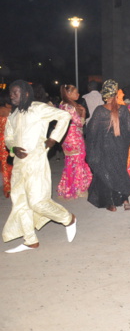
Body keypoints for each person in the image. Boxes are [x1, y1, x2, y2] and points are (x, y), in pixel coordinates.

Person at [3, 80, 77, 253]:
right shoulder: (13, 115)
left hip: (36, 161)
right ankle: (30, 240)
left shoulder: (38, 108)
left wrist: (53, 139)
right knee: (20, 203)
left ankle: (68, 218)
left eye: (15, 92)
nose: (12, 96)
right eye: (11, 93)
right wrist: (13, 148)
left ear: (26, 93)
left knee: (37, 202)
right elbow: (8, 137)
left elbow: (64, 116)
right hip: (19, 165)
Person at [86, 80, 130, 211]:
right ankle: (125, 200)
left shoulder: (100, 111)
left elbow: (91, 131)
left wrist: (93, 147)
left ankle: (111, 204)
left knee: (106, 174)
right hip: (120, 147)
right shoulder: (124, 110)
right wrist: (123, 144)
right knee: (120, 171)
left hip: (105, 148)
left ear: (104, 94)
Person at [57, 84, 93, 199]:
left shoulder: (62, 105)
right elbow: (79, 123)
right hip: (74, 137)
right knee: (79, 161)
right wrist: (82, 113)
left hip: (66, 137)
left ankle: (67, 187)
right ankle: (78, 188)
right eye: (75, 92)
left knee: (70, 162)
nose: (78, 94)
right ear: (68, 94)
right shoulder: (70, 107)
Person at [0, 89, 13, 197]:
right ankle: (9, 188)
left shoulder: (2, 110)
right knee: (9, 166)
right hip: (6, 141)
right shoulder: (8, 111)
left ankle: (7, 188)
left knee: (4, 166)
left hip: (1, 141)